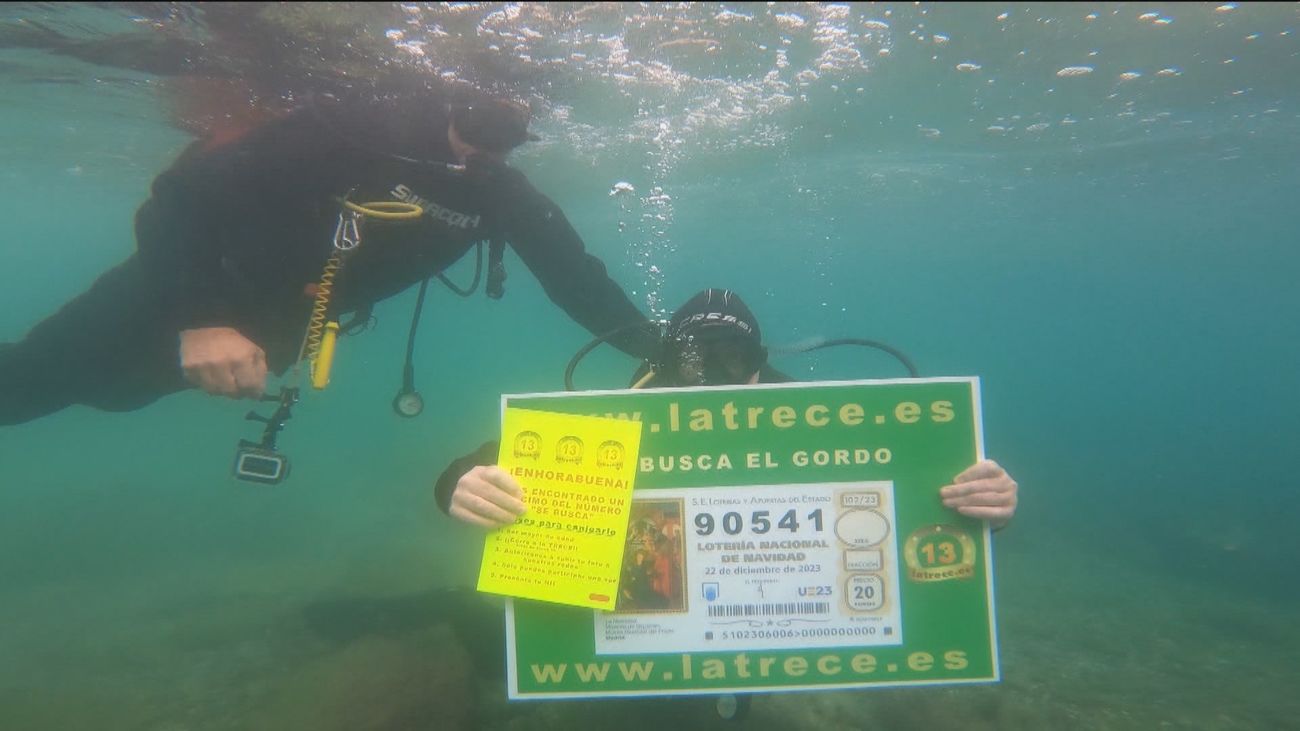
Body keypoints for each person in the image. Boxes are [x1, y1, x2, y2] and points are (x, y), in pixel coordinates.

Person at [0, 89, 656, 426]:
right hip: (176, 289)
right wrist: (201, 318)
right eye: (481, 125)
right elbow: (177, 199)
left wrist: (674, 353)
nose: (485, 151)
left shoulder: (501, 196)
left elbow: (580, 282)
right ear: (453, 101)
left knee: (104, 394)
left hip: (263, 345)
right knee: (30, 382)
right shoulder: (349, 132)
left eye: (511, 135)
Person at [435, 288, 1019, 530]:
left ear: (759, 361)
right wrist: (465, 484)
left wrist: (982, 496)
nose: (711, 379)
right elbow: (471, 469)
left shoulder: (810, 412)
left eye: (732, 360)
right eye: (694, 362)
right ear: (667, 364)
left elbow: (915, 487)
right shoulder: (623, 414)